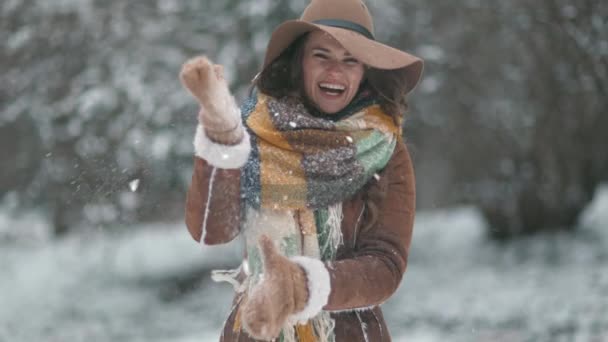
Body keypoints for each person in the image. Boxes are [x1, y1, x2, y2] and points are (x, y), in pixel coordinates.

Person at [180, 0, 423, 341]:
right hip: (257, 329)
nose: (335, 72)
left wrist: (301, 285)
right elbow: (211, 231)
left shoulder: (385, 148)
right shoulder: (253, 134)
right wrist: (223, 141)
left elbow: (385, 265)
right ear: (299, 62)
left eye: (350, 59)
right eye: (321, 55)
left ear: (365, 70)